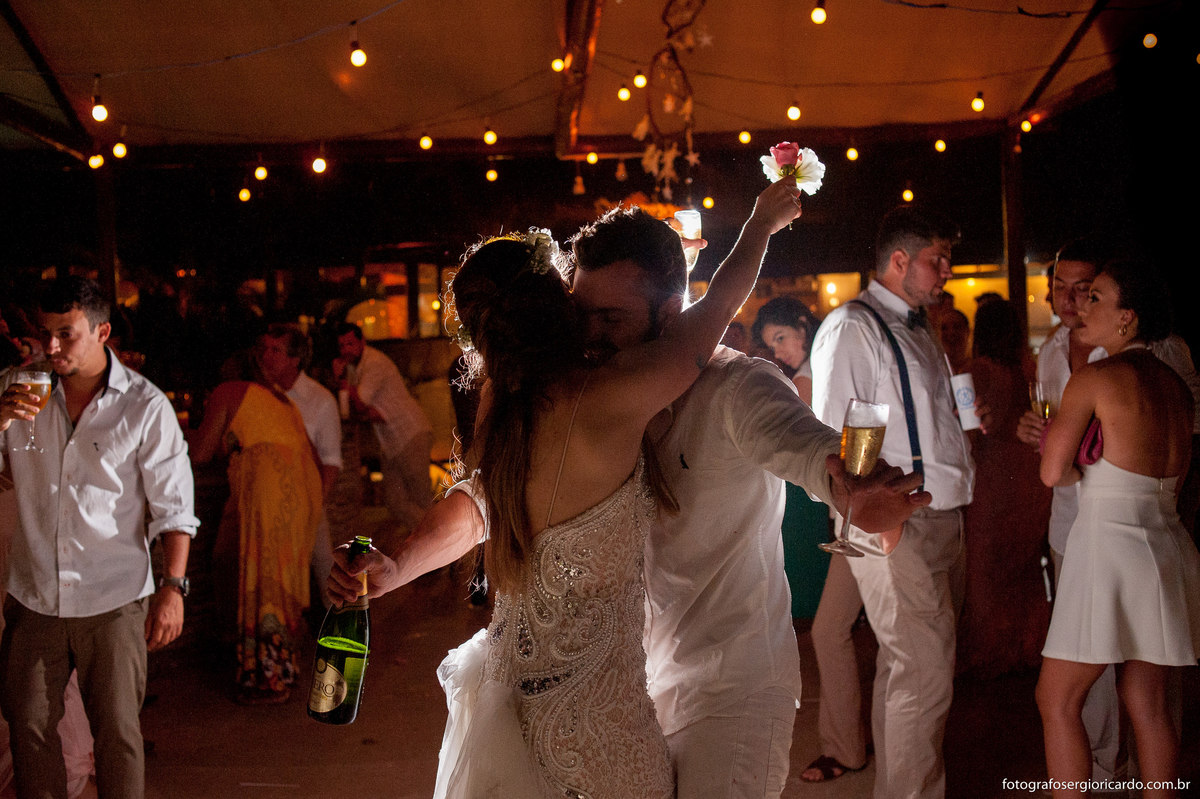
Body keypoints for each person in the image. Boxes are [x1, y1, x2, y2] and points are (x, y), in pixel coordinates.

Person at [332, 191, 931, 799]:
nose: (589, 335)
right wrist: (399, 563)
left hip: (732, 691)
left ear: (669, 314)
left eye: (609, 320)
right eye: (581, 314)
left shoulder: (732, 387)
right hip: (629, 691)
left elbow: (802, 444)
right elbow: (486, 500)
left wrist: (848, 489)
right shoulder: (574, 401)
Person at [0, 277, 198, 799]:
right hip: (34, 596)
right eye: (46, 335)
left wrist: (173, 589)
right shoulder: (16, 389)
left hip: (113, 600)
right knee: (28, 730)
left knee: (117, 735)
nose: (52, 348)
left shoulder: (144, 406)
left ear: (102, 331)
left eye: (67, 334)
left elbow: (174, 507)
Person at [1016, 238, 1200, 783]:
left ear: (1127, 319)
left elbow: (1054, 473)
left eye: (1095, 297)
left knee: (1056, 699)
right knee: (1146, 698)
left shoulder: (1094, 378)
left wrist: (1065, 453)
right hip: (1166, 545)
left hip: (1107, 548)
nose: (1081, 308)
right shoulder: (1174, 387)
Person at [810, 205, 977, 799]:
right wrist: (875, 522)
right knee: (924, 673)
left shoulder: (921, 325)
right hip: (900, 522)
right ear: (899, 261)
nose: (947, 272)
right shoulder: (856, 324)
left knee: (906, 668)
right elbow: (847, 428)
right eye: (938, 260)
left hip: (942, 517)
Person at [752, 295, 869, 784]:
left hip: (867, 498)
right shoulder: (815, 361)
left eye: (781, 338)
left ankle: (851, 746)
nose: (778, 351)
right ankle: (849, 745)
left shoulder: (827, 357)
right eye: (770, 345)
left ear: (804, 324)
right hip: (851, 502)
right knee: (833, 629)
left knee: (843, 631)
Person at [190, 355, 323, 704]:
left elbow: (200, 453)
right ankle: (279, 667)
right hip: (301, 488)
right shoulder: (282, 398)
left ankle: (269, 679)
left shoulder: (228, 390)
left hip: (269, 490)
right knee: (279, 582)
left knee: (263, 584)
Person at [957, 299, 1051, 677]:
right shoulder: (1029, 367)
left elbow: (968, 431)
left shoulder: (972, 372)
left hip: (994, 478)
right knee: (1026, 565)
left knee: (984, 566)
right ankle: (1029, 644)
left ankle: (989, 650)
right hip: (1030, 475)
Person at [255, 323, 342, 608]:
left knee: (321, 565)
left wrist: (315, 506)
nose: (266, 356)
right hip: (265, 501)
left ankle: (341, 634)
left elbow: (331, 461)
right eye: (264, 348)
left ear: (295, 359)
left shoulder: (320, 401)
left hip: (305, 498)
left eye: (275, 350)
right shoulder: (257, 395)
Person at [332, 323, 433, 543]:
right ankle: (430, 540)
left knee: (421, 497)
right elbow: (349, 409)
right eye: (341, 345)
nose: (345, 349)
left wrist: (343, 383)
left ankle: (439, 547)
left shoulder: (374, 363)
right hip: (391, 442)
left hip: (409, 434)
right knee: (394, 500)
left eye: (350, 343)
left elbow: (359, 405)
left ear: (362, 342)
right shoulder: (353, 368)